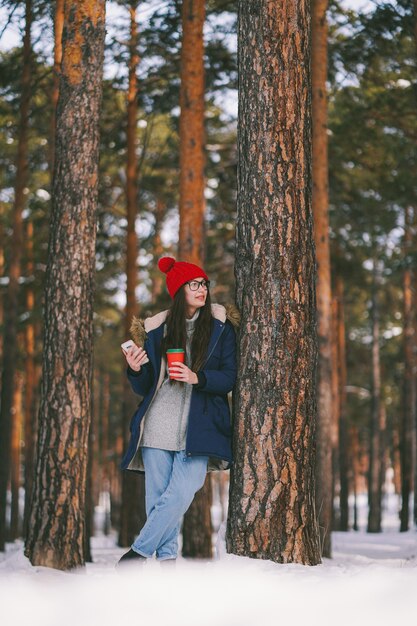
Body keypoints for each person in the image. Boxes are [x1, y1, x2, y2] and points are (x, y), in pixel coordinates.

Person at [117, 256, 239, 567]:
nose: (202, 289)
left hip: (200, 425)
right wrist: (134, 369)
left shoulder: (222, 330)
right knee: (158, 500)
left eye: (204, 284)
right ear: (179, 290)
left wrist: (199, 378)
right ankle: (167, 564)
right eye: (195, 284)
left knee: (183, 491)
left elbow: (230, 375)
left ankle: (138, 553)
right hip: (158, 423)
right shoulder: (156, 330)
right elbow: (145, 387)